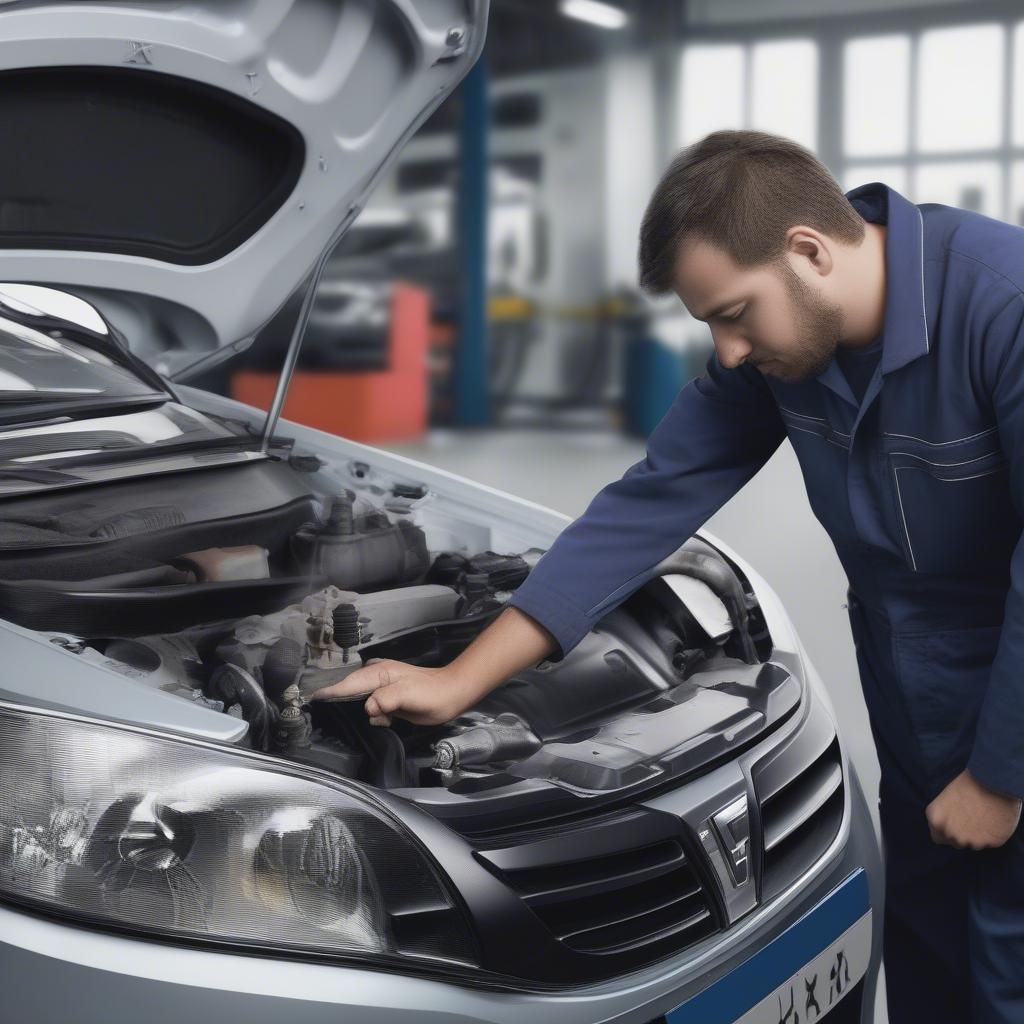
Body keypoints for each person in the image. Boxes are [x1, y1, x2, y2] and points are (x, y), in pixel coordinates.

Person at [312, 129, 1024, 1022]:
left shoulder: (1004, 304)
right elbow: (650, 501)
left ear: (808, 252)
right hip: (909, 688)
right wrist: (460, 678)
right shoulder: (788, 342)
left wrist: (1002, 776)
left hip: (1013, 696)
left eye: (734, 314)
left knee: (1006, 964)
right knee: (922, 946)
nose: (727, 351)